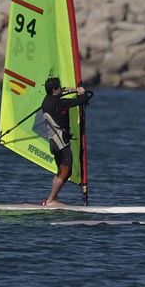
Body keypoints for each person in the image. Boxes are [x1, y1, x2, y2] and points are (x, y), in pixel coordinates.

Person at [39, 76, 93, 206]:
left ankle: (52, 199)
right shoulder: (60, 103)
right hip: (62, 142)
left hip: (53, 142)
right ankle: (51, 200)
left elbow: (62, 92)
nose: (61, 90)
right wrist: (82, 92)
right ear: (54, 90)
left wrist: (73, 89)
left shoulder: (46, 101)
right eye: (59, 88)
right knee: (66, 171)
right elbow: (82, 100)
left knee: (60, 171)